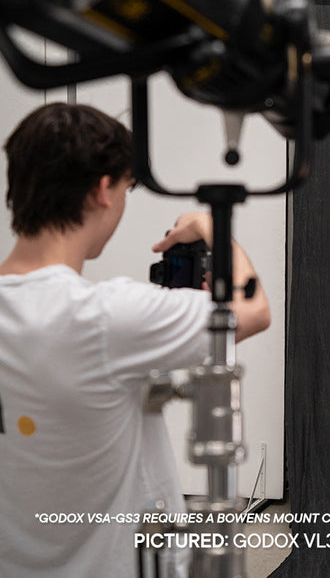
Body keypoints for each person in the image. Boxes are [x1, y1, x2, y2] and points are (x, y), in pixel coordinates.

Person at [0, 103, 270, 576]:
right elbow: (252, 310)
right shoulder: (105, 317)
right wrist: (209, 225)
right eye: (126, 190)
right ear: (102, 190)